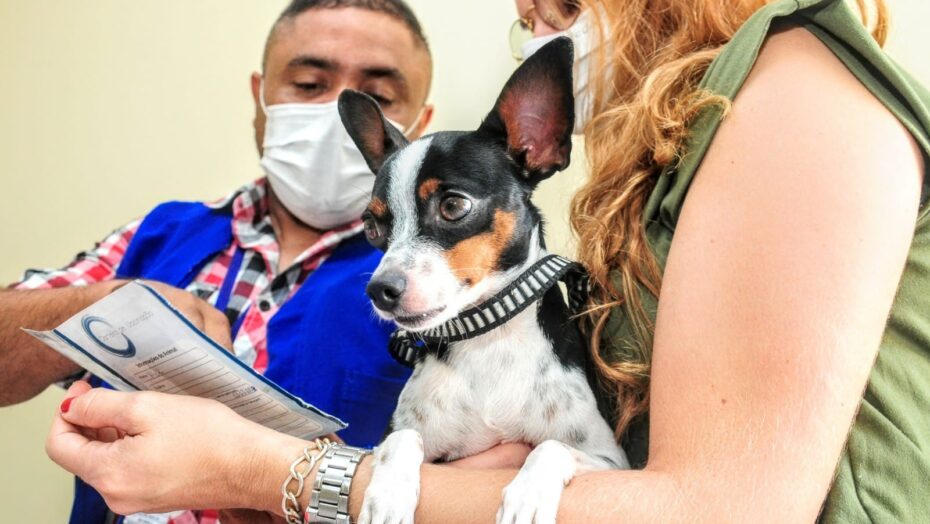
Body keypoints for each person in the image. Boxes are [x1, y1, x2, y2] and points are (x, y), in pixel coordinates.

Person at [45, 0, 930, 521]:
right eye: (304, 82)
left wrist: (259, 470)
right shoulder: (692, 150)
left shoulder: (794, 82)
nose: (525, 12)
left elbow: (718, 507)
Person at [2, 0, 434, 522]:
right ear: (260, 98)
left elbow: (483, 490)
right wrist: (106, 305)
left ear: (420, 122)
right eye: (308, 85)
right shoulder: (163, 234)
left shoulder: (446, 283)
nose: (337, 118)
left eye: (377, 97)